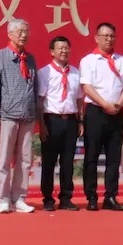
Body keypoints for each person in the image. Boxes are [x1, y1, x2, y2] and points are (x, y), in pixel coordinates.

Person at [79, 22, 123, 211]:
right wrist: (105, 104)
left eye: (112, 36)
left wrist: (118, 104)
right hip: (95, 112)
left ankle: (110, 196)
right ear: (96, 38)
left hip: (116, 113)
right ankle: (91, 197)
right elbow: (87, 87)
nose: (109, 39)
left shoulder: (122, 61)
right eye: (105, 36)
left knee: (113, 158)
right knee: (91, 156)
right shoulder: (88, 61)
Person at [0, 18, 39, 214]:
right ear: (9, 34)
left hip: (27, 115)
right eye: (20, 32)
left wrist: (35, 113)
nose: (24, 35)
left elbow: (35, 87)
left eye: (26, 31)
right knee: (4, 159)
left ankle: (20, 198)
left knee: (25, 160)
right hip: (7, 115)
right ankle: (3, 199)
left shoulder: (30, 59)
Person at [37, 35, 83, 211]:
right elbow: (40, 100)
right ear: (52, 52)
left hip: (70, 121)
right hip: (51, 120)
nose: (64, 51)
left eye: (66, 48)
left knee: (67, 161)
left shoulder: (76, 73)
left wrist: (80, 121)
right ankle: (48, 198)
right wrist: (42, 125)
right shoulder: (44, 73)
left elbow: (79, 99)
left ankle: (66, 198)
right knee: (49, 162)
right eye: (60, 48)